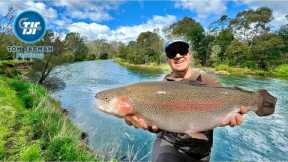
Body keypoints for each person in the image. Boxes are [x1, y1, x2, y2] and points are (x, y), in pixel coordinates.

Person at [123, 41, 248, 162]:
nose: (177, 56)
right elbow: (155, 121)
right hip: (169, 145)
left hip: (201, 151)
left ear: (189, 55)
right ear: (168, 60)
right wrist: (140, 121)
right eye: (172, 53)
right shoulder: (162, 87)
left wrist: (232, 116)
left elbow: (226, 108)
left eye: (182, 50)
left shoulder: (209, 82)